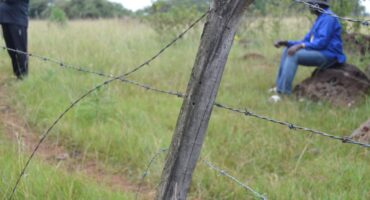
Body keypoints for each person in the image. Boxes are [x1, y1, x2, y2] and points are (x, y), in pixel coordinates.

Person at [270, 0, 346, 102]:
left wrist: (300, 46)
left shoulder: (328, 18)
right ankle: (279, 87)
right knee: (287, 50)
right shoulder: (320, 19)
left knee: (294, 55)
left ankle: (284, 94)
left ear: (317, 5)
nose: (309, 7)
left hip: (329, 55)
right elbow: (305, 41)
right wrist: (287, 43)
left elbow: (321, 43)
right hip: (320, 51)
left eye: (310, 4)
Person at [0, 0, 29, 79]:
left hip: (17, 20)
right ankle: (17, 74)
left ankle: (23, 76)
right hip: (5, 20)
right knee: (11, 50)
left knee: (20, 50)